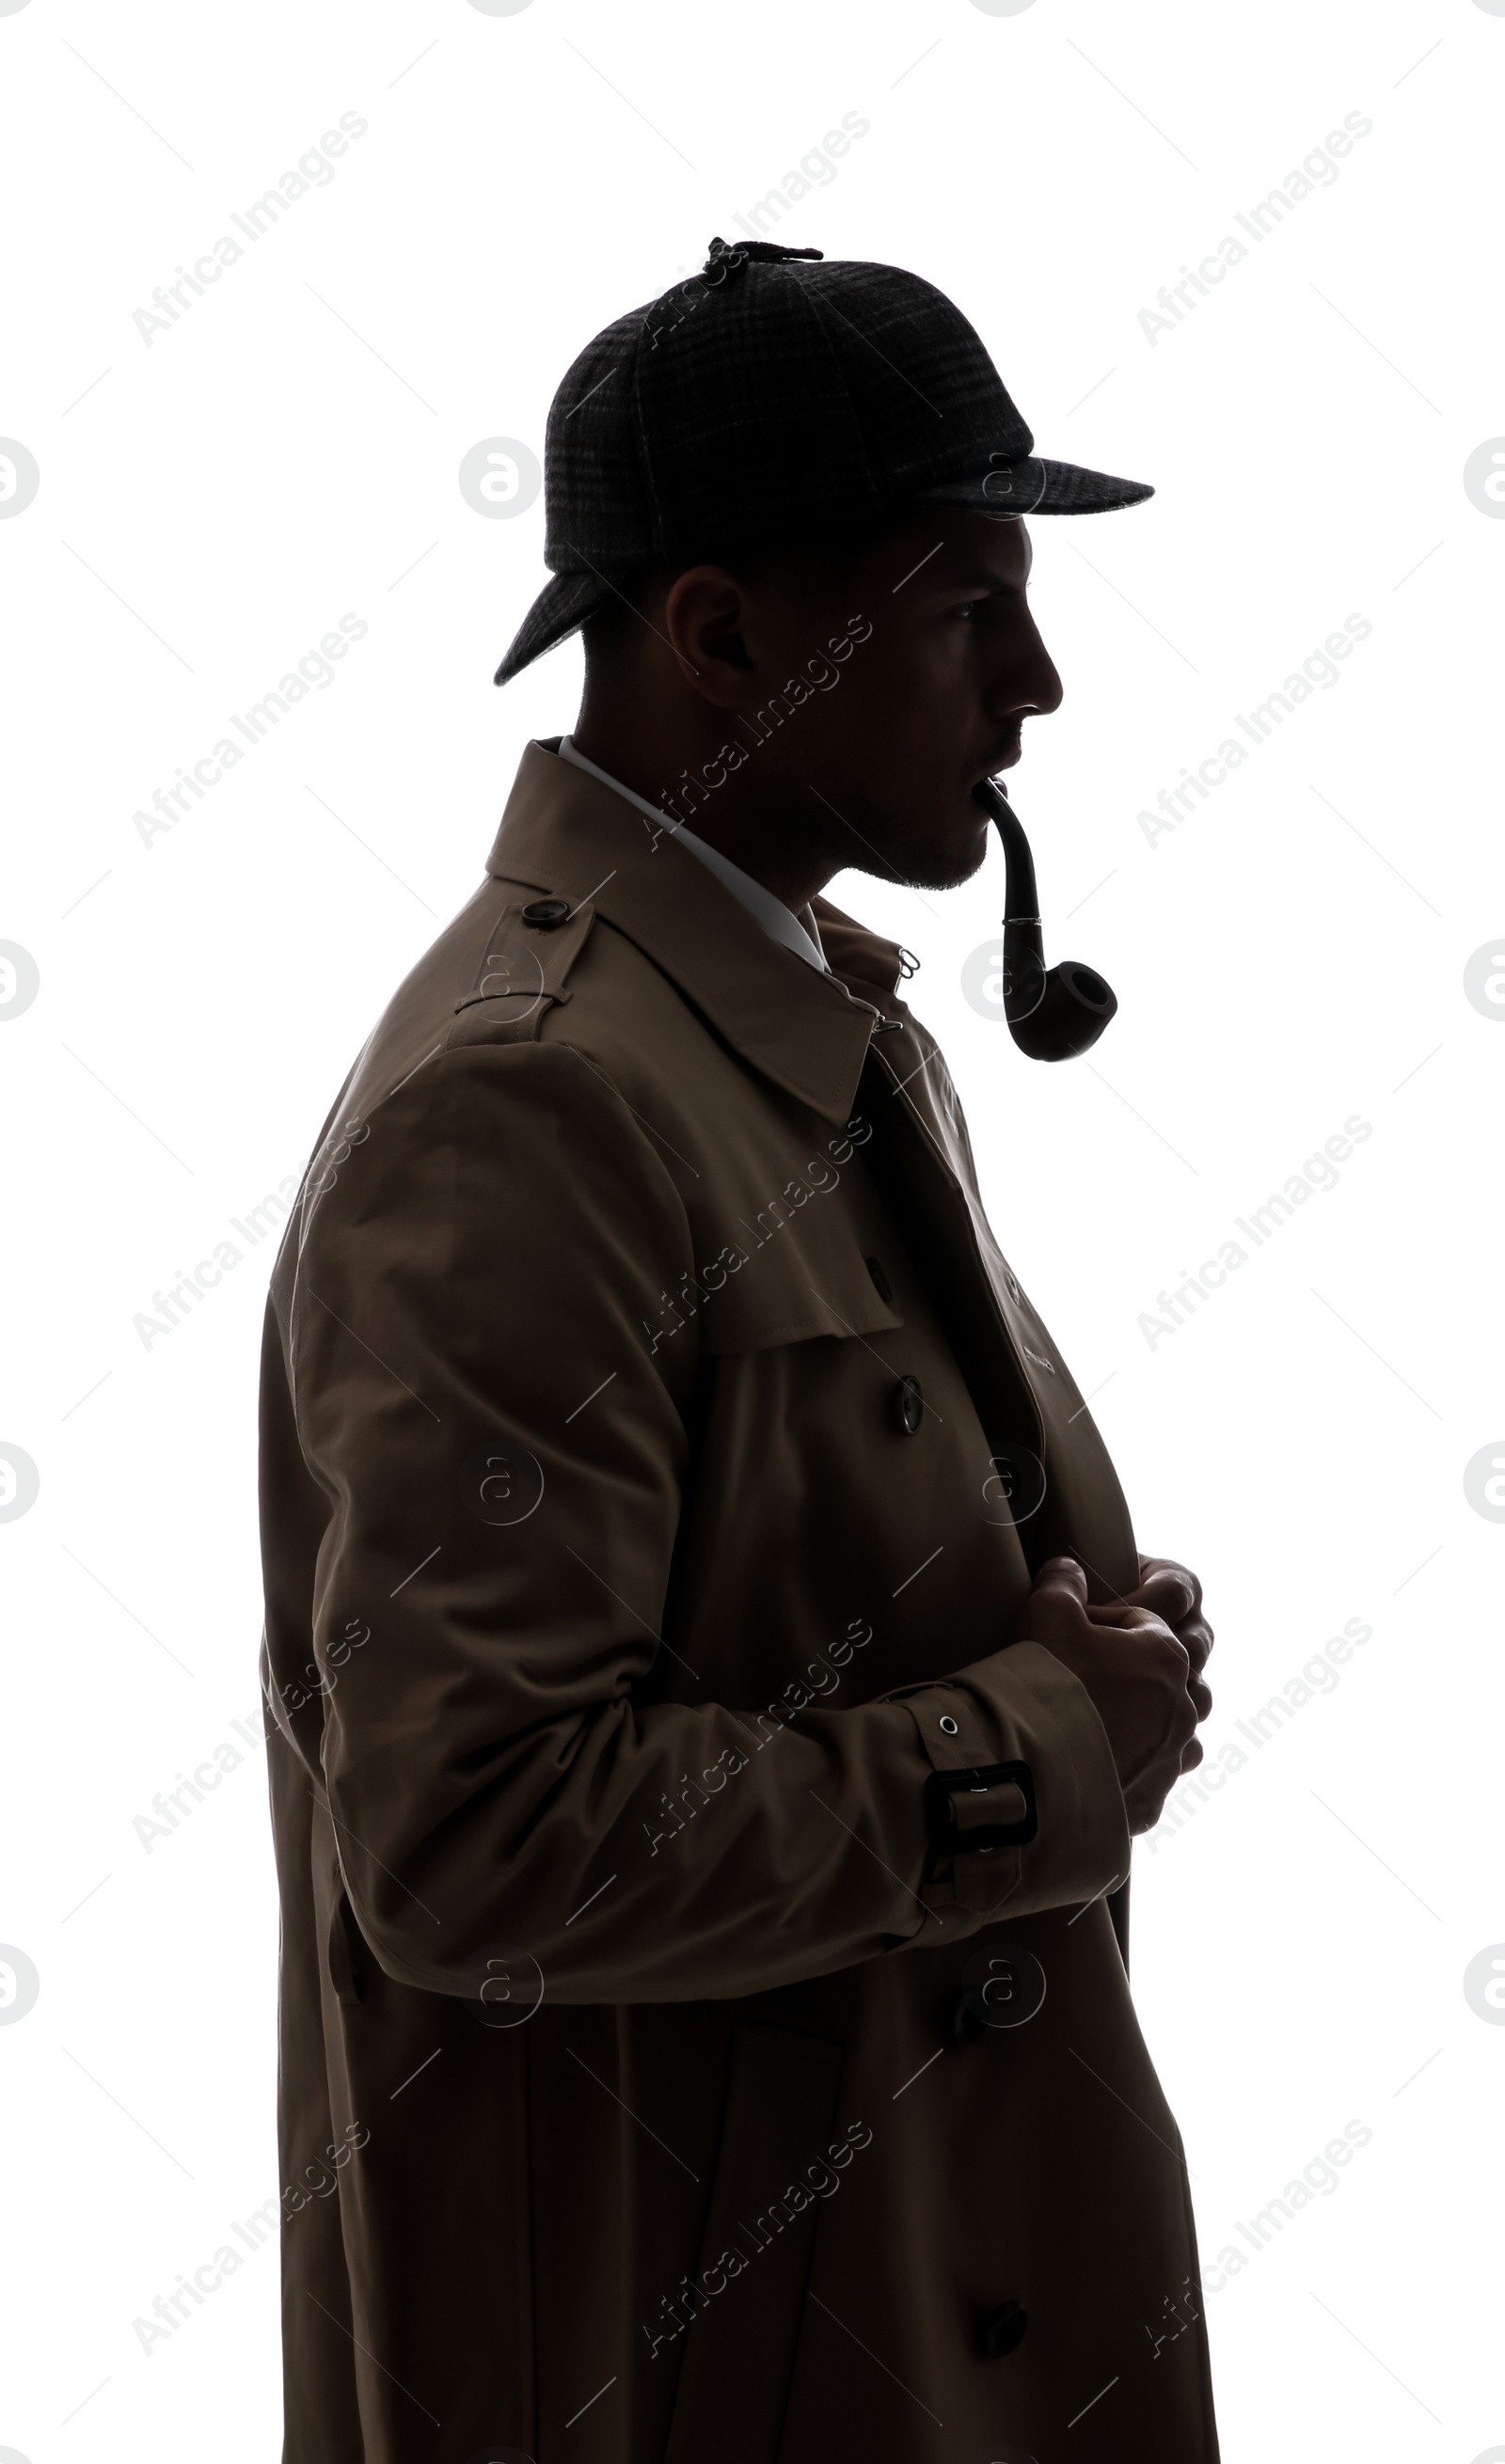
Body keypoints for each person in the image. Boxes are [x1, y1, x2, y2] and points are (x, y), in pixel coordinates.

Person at [257, 236, 1220, 2463]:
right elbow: (477, 1834)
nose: (1041, 683)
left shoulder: (785, 1026)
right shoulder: (531, 1103)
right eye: (967, 608)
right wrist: (1024, 1750)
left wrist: (1057, 1632)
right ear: (720, 637)